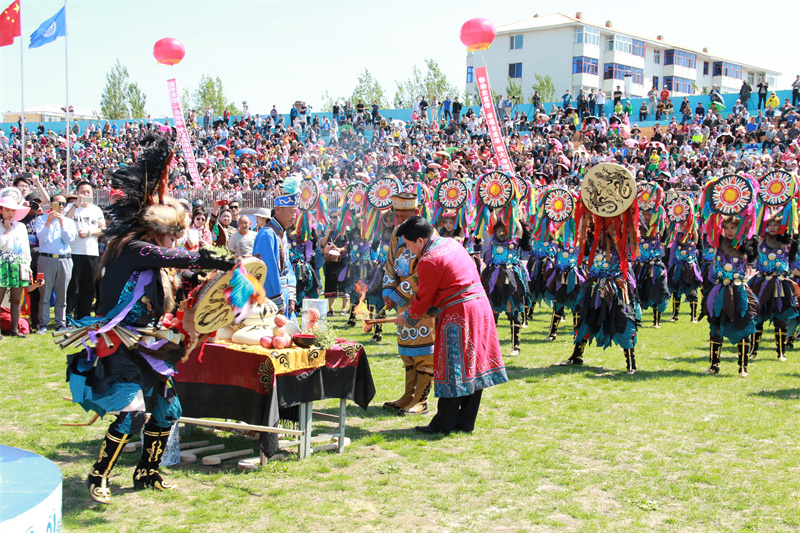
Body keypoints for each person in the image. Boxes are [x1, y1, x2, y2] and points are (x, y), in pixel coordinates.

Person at [64, 134, 235, 504]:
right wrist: (213, 259)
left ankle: (147, 472)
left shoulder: (154, 258)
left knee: (167, 410)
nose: (175, 244)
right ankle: (100, 475)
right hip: (117, 344)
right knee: (131, 415)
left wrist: (211, 281)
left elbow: (180, 274)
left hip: (147, 345)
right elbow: (178, 260)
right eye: (172, 237)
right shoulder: (134, 249)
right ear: (158, 232)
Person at [394, 216, 507, 435]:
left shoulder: (429, 259)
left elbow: (424, 298)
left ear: (420, 240)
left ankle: (442, 424)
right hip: (479, 307)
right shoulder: (451, 243)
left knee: (450, 366)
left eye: (409, 245)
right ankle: (465, 422)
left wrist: (407, 317)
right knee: (471, 366)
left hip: (460, 312)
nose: (410, 251)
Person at [382, 192, 436, 416]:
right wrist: (387, 289)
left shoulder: (428, 235)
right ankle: (408, 395)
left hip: (423, 301)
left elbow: (422, 275)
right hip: (402, 300)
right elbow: (391, 264)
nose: (399, 221)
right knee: (407, 350)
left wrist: (397, 294)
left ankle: (421, 401)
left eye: (404, 216)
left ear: (416, 213)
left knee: (424, 352)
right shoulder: (397, 233)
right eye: (397, 216)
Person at [702, 216, 759, 376]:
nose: (729, 231)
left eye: (733, 228)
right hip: (719, 289)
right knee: (716, 326)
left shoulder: (743, 245)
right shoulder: (717, 243)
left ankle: (743, 366)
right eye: (726, 228)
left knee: (743, 324)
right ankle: (714, 365)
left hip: (739, 289)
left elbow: (753, 250)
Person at [748, 214, 799, 362]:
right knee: (758, 315)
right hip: (762, 282)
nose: (772, 227)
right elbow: (759, 220)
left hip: (780, 282)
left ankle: (781, 352)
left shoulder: (787, 242)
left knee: (780, 316)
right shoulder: (762, 241)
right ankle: (754, 350)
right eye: (769, 225)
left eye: (775, 225)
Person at [252, 177, 300, 319]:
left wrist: (291, 296)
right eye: (291, 212)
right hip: (271, 298)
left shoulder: (281, 234)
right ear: (278, 210)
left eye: (295, 212)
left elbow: (287, 269)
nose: (294, 217)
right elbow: (267, 271)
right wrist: (278, 302)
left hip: (284, 295)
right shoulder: (267, 234)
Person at [35, 192, 76, 333]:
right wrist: (48, 223)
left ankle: (60, 323)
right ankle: (43, 323)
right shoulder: (41, 219)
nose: (61, 207)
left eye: (63, 204)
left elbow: (69, 239)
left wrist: (62, 223)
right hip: (46, 259)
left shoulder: (69, 221)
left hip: (64, 259)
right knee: (45, 293)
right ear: (52, 204)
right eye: (58, 203)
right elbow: (42, 238)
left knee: (62, 294)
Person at [65, 181, 105, 320]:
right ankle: (68, 315)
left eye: (88, 192)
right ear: (77, 193)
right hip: (73, 251)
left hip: (91, 253)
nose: (85, 194)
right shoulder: (70, 207)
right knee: (72, 287)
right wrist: (76, 204)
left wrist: (88, 232)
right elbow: (64, 222)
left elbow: (103, 229)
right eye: (83, 191)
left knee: (88, 287)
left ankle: (84, 315)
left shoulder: (96, 209)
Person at [0, 188, 32, 338]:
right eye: (7, 210)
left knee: (16, 298)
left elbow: (25, 248)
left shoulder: (20, 227)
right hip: (2, 262)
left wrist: (28, 265)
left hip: (18, 263)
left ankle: (14, 328)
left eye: (12, 210)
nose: (10, 213)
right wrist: (6, 231)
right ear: (1, 210)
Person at [320, 210, 349, 315]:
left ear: (340, 217)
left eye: (335, 217)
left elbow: (348, 246)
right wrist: (327, 231)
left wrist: (339, 249)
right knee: (330, 283)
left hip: (342, 261)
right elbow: (323, 243)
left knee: (343, 284)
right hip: (330, 261)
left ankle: (344, 309)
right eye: (331, 217)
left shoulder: (345, 230)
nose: (333, 219)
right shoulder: (329, 230)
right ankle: (331, 309)